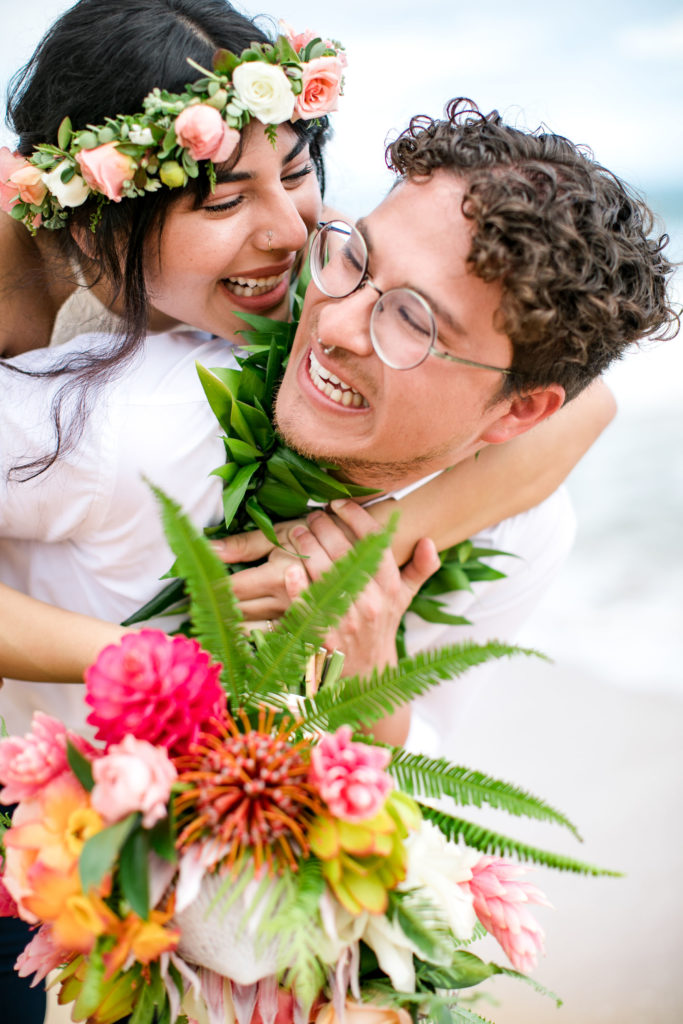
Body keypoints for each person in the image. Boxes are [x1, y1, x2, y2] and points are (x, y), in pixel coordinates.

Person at [214, 97, 679, 753]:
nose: (334, 325)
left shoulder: (521, 531)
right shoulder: (229, 318)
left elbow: (424, 753)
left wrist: (367, 674)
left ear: (519, 411)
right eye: (357, 261)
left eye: (411, 323)